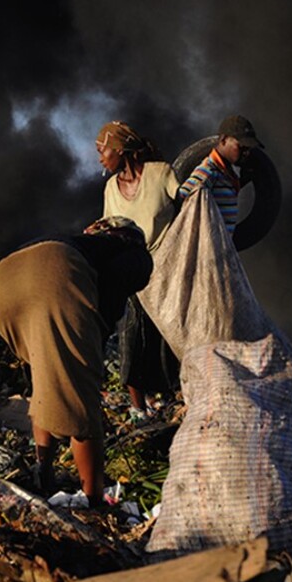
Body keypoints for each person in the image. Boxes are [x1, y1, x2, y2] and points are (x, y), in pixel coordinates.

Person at [0, 217, 152, 506]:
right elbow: (113, 300)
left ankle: (43, 471)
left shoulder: (77, 241)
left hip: (0, 283)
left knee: (47, 380)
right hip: (52, 275)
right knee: (80, 401)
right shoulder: (131, 249)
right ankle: (95, 501)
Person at [97, 121, 181, 416]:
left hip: (168, 268)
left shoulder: (162, 173)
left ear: (120, 150)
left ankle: (171, 397)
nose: (99, 158)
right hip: (132, 271)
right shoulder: (110, 188)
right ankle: (138, 409)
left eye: (102, 150)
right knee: (131, 334)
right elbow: (111, 227)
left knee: (169, 335)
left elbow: (189, 207)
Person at [177, 114, 264, 233]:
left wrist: (241, 182)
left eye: (248, 149)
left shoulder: (224, 174)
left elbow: (219, 198)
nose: (246, 153)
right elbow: (181, 200)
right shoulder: (208, 171)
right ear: (223, 140)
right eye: (241, 147)